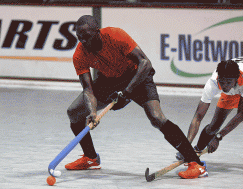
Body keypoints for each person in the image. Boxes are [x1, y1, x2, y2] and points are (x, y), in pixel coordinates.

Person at [65, 15, 208, 179]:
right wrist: (92, 112)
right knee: (74, 112)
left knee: (157, 117)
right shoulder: (79, 54)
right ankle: (90, 158)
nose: (83, 41)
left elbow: (145, 63)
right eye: (79, 37)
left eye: (87, 37)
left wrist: (126, 92)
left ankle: (195, 163)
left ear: (97, 32)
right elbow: (88, 90)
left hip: (137, 77)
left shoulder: (115, 35)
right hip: (109, 81)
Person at [187, 56, 243, 171]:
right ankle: (196, 150)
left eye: (228, 82)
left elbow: (242, 114)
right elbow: (198, 116)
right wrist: (186, 145)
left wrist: (218, 137)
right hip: (236, 85)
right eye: (222, 82)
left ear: (236, 78)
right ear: (218, 78)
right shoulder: (213, 82)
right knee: (214, 125)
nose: (224, 86)